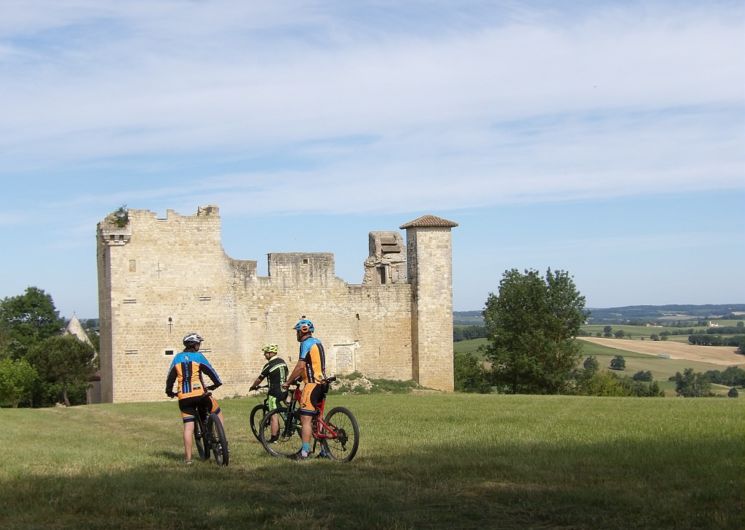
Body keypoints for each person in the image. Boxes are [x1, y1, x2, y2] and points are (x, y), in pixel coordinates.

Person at [165, 332, 225, 465]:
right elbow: (210, 371)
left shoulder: (176, 358)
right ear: (193, 344)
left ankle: (188, 459)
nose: (199, 345)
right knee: (217, 410)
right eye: (198, 343)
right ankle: (222, 441)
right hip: (200, 394)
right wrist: (217, 384)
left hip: (184, 397)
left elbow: (170, 378)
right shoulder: (198, 357)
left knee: (188, 427)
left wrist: (169, 392)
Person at [282, 317, 329, 460]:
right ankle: (324, 451)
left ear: (303, 331)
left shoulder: (305, 343)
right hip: (323, 383)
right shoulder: (318, 343)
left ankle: (305, 452)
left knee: (305, 419)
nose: (296, 334)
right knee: (319, 418)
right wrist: (298, 377)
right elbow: (311, 366)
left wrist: (288, 381)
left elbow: (301, 366)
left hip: (312, 385)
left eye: (297, 332)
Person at [249, 344, 289, 442]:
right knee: (287, 409)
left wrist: (253, 386)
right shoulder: (282, 362)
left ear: (271, 353)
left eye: (266, 353)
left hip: (274, 393)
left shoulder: (269, 365)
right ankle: (290, 424)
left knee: (273, 416)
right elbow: (286, 374)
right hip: (284, 391)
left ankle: (273, 438)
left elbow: (260, 378)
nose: (264, 355)